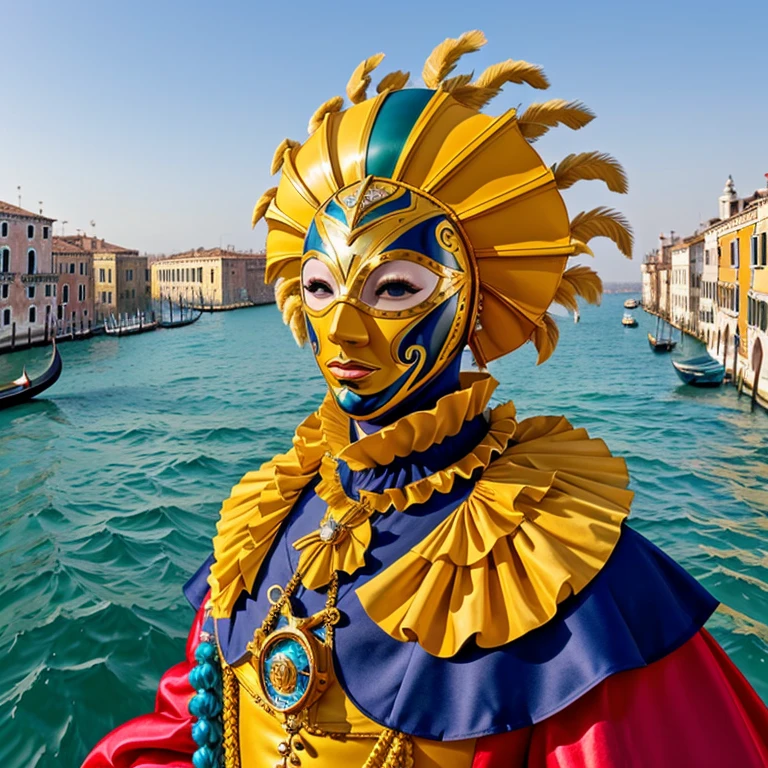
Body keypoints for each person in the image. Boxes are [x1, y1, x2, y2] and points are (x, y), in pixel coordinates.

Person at [83, 31, 768, 768]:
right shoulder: (267, 523)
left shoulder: (567, 577)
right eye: (320, 288)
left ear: (471, 304)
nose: (341, 328)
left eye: (396, 289)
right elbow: (186, 727)